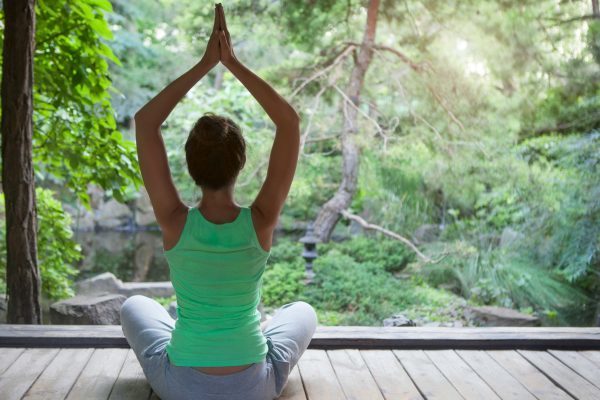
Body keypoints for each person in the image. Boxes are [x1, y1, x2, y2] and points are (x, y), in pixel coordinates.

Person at [120, 3, 317, 399]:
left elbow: (146, 122)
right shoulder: (260, 220)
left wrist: (205, 64)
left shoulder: (174, 221)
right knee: (303, 312)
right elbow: (289, 123)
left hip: (182, 387)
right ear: (241, 164)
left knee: (134, 305)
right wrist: (232, 63)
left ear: (190, 166)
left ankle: (198, 335)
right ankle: (238, 336)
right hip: (253, 387)